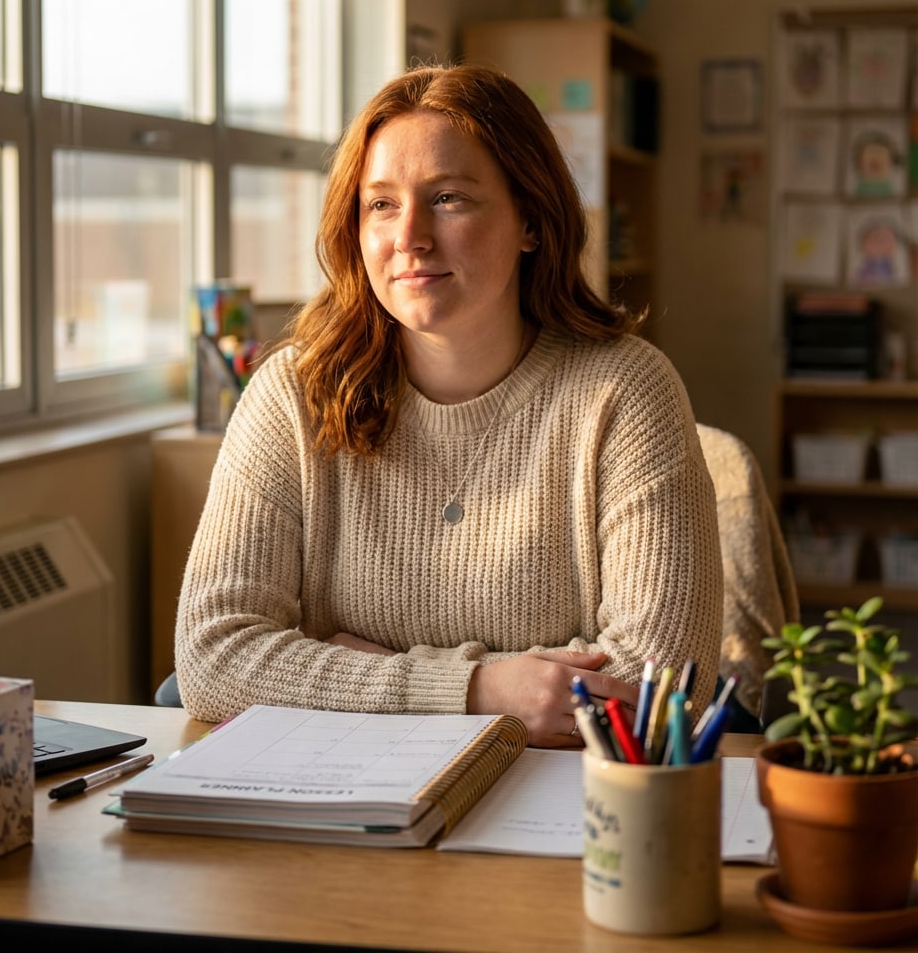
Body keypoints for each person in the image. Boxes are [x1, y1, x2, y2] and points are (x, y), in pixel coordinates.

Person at [174, 63, 724, 747]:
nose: (409, 236)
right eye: (381, 204)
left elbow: (661, 683)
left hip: (551, 819)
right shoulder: (291, 395)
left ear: (530, 219)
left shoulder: (624, 391)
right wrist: (479, 689)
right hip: (339, 808)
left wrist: (354, 671)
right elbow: (213, 658)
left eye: (450, 198)